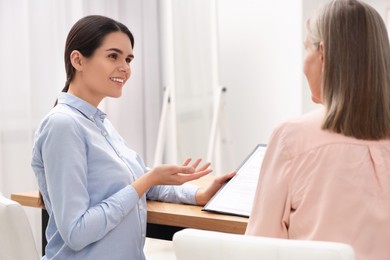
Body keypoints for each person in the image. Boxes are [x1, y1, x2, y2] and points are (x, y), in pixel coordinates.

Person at [31, 15, 235, 260]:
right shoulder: (63, 125)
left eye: (128, 59)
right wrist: (146, 180)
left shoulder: (97, 124)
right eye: (113, 56)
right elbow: (77, 232)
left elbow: (133, 182)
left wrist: (196, 195)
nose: (125, 68)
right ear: (78, 60)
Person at [245, 0, 390, 259]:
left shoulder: (291, 139)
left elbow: (258, 249)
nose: (303, 65)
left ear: (323, 54)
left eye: (306, 50)